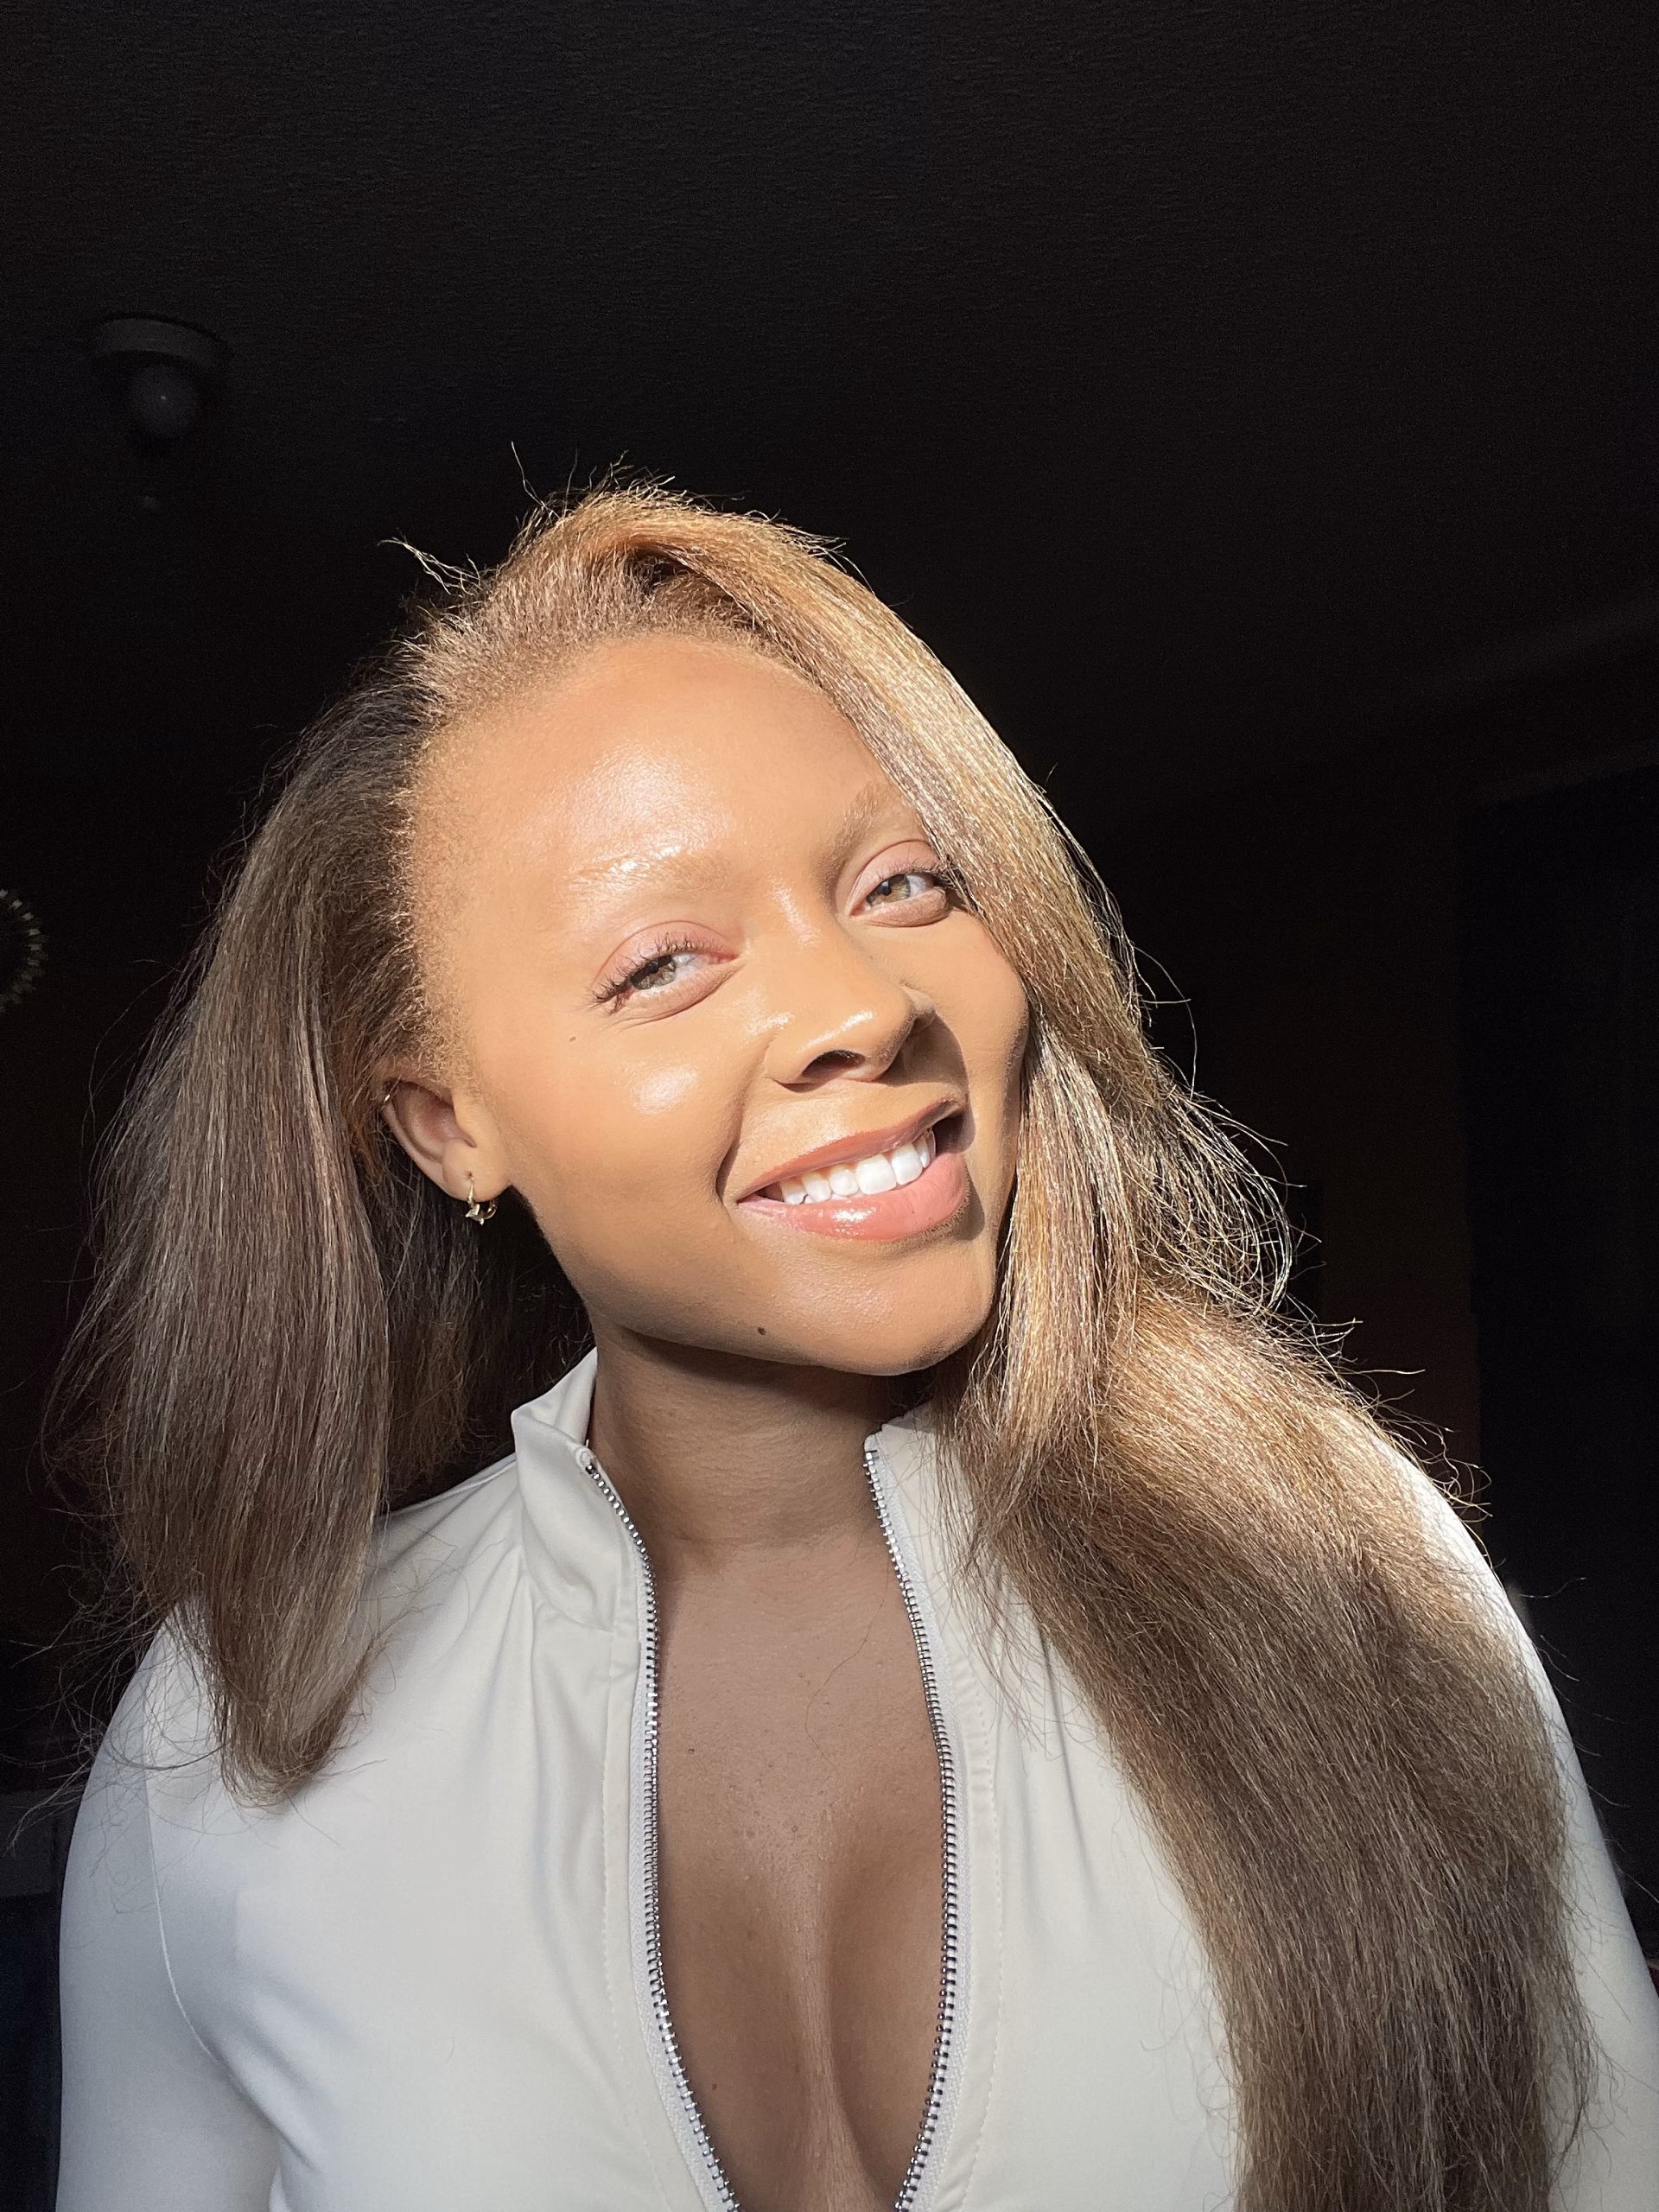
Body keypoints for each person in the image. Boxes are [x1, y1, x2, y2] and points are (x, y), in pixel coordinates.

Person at [53, 487, 1658, 2212]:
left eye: (906, 883)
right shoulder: (233, 1729)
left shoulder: (1335, 1550)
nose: (863, 1007)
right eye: (665, 963)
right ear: (448, 1123)